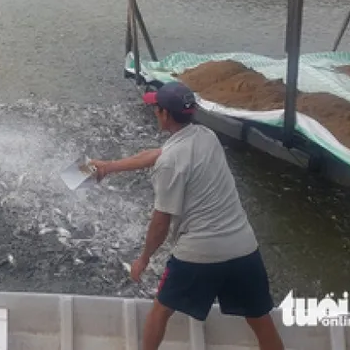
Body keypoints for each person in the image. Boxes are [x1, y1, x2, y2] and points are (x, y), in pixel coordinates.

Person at [88, 81, 284, 350]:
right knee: (260, 320)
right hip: (243, 248)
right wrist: (108, 167)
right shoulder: (207, 136)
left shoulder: (170, 162)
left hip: (199, 252)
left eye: (156, 108)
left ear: (165, 115)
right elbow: (157, 154)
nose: (155, 112)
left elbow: (161, 221)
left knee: (161, 311)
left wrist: (143, 259)